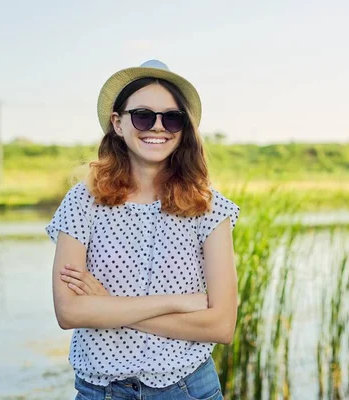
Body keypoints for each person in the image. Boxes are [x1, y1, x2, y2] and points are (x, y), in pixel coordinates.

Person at [45, 59, 240, 400]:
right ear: (118, 123)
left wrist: (107, 307)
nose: (158, 127)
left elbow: (221, 326)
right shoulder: (82, 202)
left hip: (188, 390)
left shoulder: (209, 207)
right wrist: (181, 303)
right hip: (100, 392)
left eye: (172, 118)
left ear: (184, 129)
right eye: (144, 116)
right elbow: (69, 311)